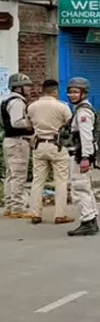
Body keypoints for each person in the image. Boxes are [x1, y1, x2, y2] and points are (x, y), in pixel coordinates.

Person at [26, 79, 73, 226]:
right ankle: (60, 214)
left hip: (39, 145)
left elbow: (28, 127)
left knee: (38, 180)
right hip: (57, 145)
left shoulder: (31, 107)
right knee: (61, 180)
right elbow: (70, 125)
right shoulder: (62, 107)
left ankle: (35, 213)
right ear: (55, 91)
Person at [65, 77, 100, 237]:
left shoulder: (83, 112)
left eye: (76, 92)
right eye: (70, 91)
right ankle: (92, 219)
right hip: (80, 153)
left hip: (80, 154)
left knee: (80, 188)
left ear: (84, 93)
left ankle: (87, 221)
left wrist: (85, 157)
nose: (72, 95)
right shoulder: (81, 109)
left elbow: (86, 136)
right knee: (85, 187)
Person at [2, 73, 35, 218]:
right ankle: (17, 207)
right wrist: (31, 123)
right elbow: (17, 122)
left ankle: (9, 205)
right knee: (18, 176)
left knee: (11, 175)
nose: (29, 89)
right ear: (18, 88)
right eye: (26, 86)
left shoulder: (6, 101)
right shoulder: (17, 102)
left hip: (9, 140)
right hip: (18, 141)